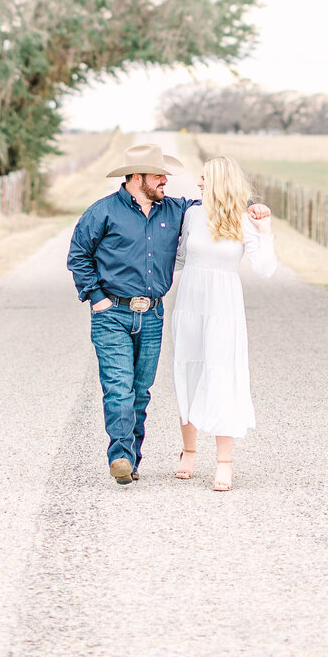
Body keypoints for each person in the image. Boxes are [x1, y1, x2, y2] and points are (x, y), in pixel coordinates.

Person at [66, 142, 270, 485]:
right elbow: (79, 255)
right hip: (111, 312)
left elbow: (215, 205)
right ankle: (120, 455)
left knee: (141, 391)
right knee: (119, 387)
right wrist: (96, 297)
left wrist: (252, 207)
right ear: (136, 177)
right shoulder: (102, 211)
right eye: (158, 175)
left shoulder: (175, 210)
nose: (166, 180)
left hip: (152, 315)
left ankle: (132, 461)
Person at [171, 155, 276, 492]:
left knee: (220, 374)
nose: (198, 183)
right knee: (188, 370)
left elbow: (264, 269)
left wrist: (264, 231)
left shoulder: (245, 220)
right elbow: (180, 258)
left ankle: (224, 463)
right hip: (189, 304)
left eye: (204, 178)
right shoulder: (192, 215)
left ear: (219, 181)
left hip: (224, 306)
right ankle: (188, 451)